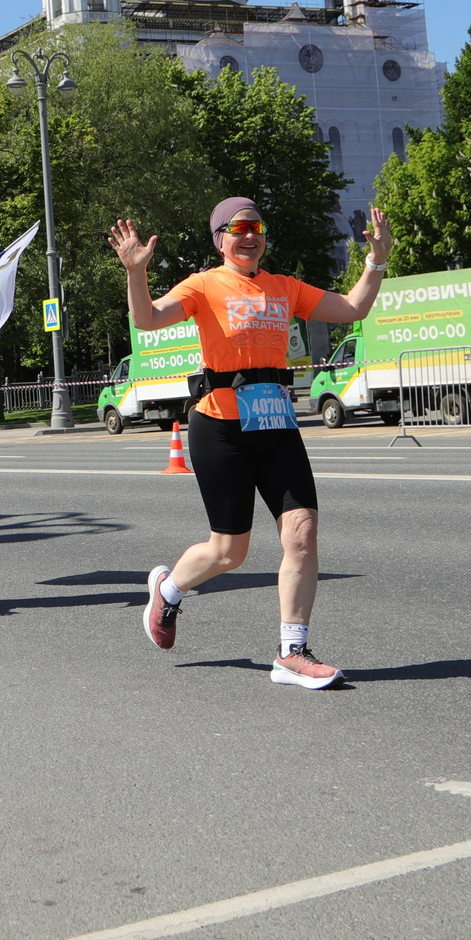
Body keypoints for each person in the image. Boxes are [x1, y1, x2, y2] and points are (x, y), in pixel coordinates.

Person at [114, 198, 394, 690]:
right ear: (220, 239)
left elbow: (353, 308)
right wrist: (136, 273)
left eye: (257, 227)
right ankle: (169, 589)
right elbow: (147, 319)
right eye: (238, 228)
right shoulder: (203, 284)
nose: (249, 236)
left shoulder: (285, 287)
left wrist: (376, 261)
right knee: (229, 552)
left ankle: (291, 652)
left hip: (276, 425)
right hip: (220, 428)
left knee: (302, 535)